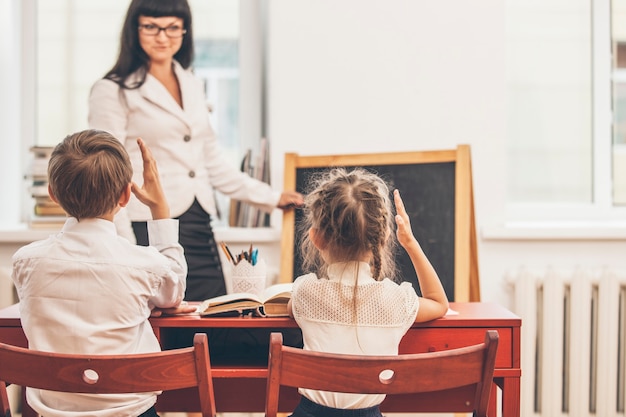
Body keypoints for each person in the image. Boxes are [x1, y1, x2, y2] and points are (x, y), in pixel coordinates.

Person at [88, 0, 303, 303]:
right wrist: (123, 241)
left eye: (173, 28)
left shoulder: (191, 83)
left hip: (198, 217)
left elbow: (211, 159)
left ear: (185, 31)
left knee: (213, 315)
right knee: (164, 321)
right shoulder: (112, 89)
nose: (163, 37)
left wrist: (270, 197)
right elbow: (108, 170)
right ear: (134, 30)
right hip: (147, 221)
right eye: (151, 26)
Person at [11, 130, 188, 417]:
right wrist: (160, 210)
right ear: (126, 195)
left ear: (53, 194)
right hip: (132, 411)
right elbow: (174, 293)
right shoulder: (145, 266)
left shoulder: (25, 263)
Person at [287, 168, 450, 417]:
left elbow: (287, 308)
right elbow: (439, 303)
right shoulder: (396, 300)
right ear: (383, 239)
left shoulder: (305, 292)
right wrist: (410, 243)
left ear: (316, 239)